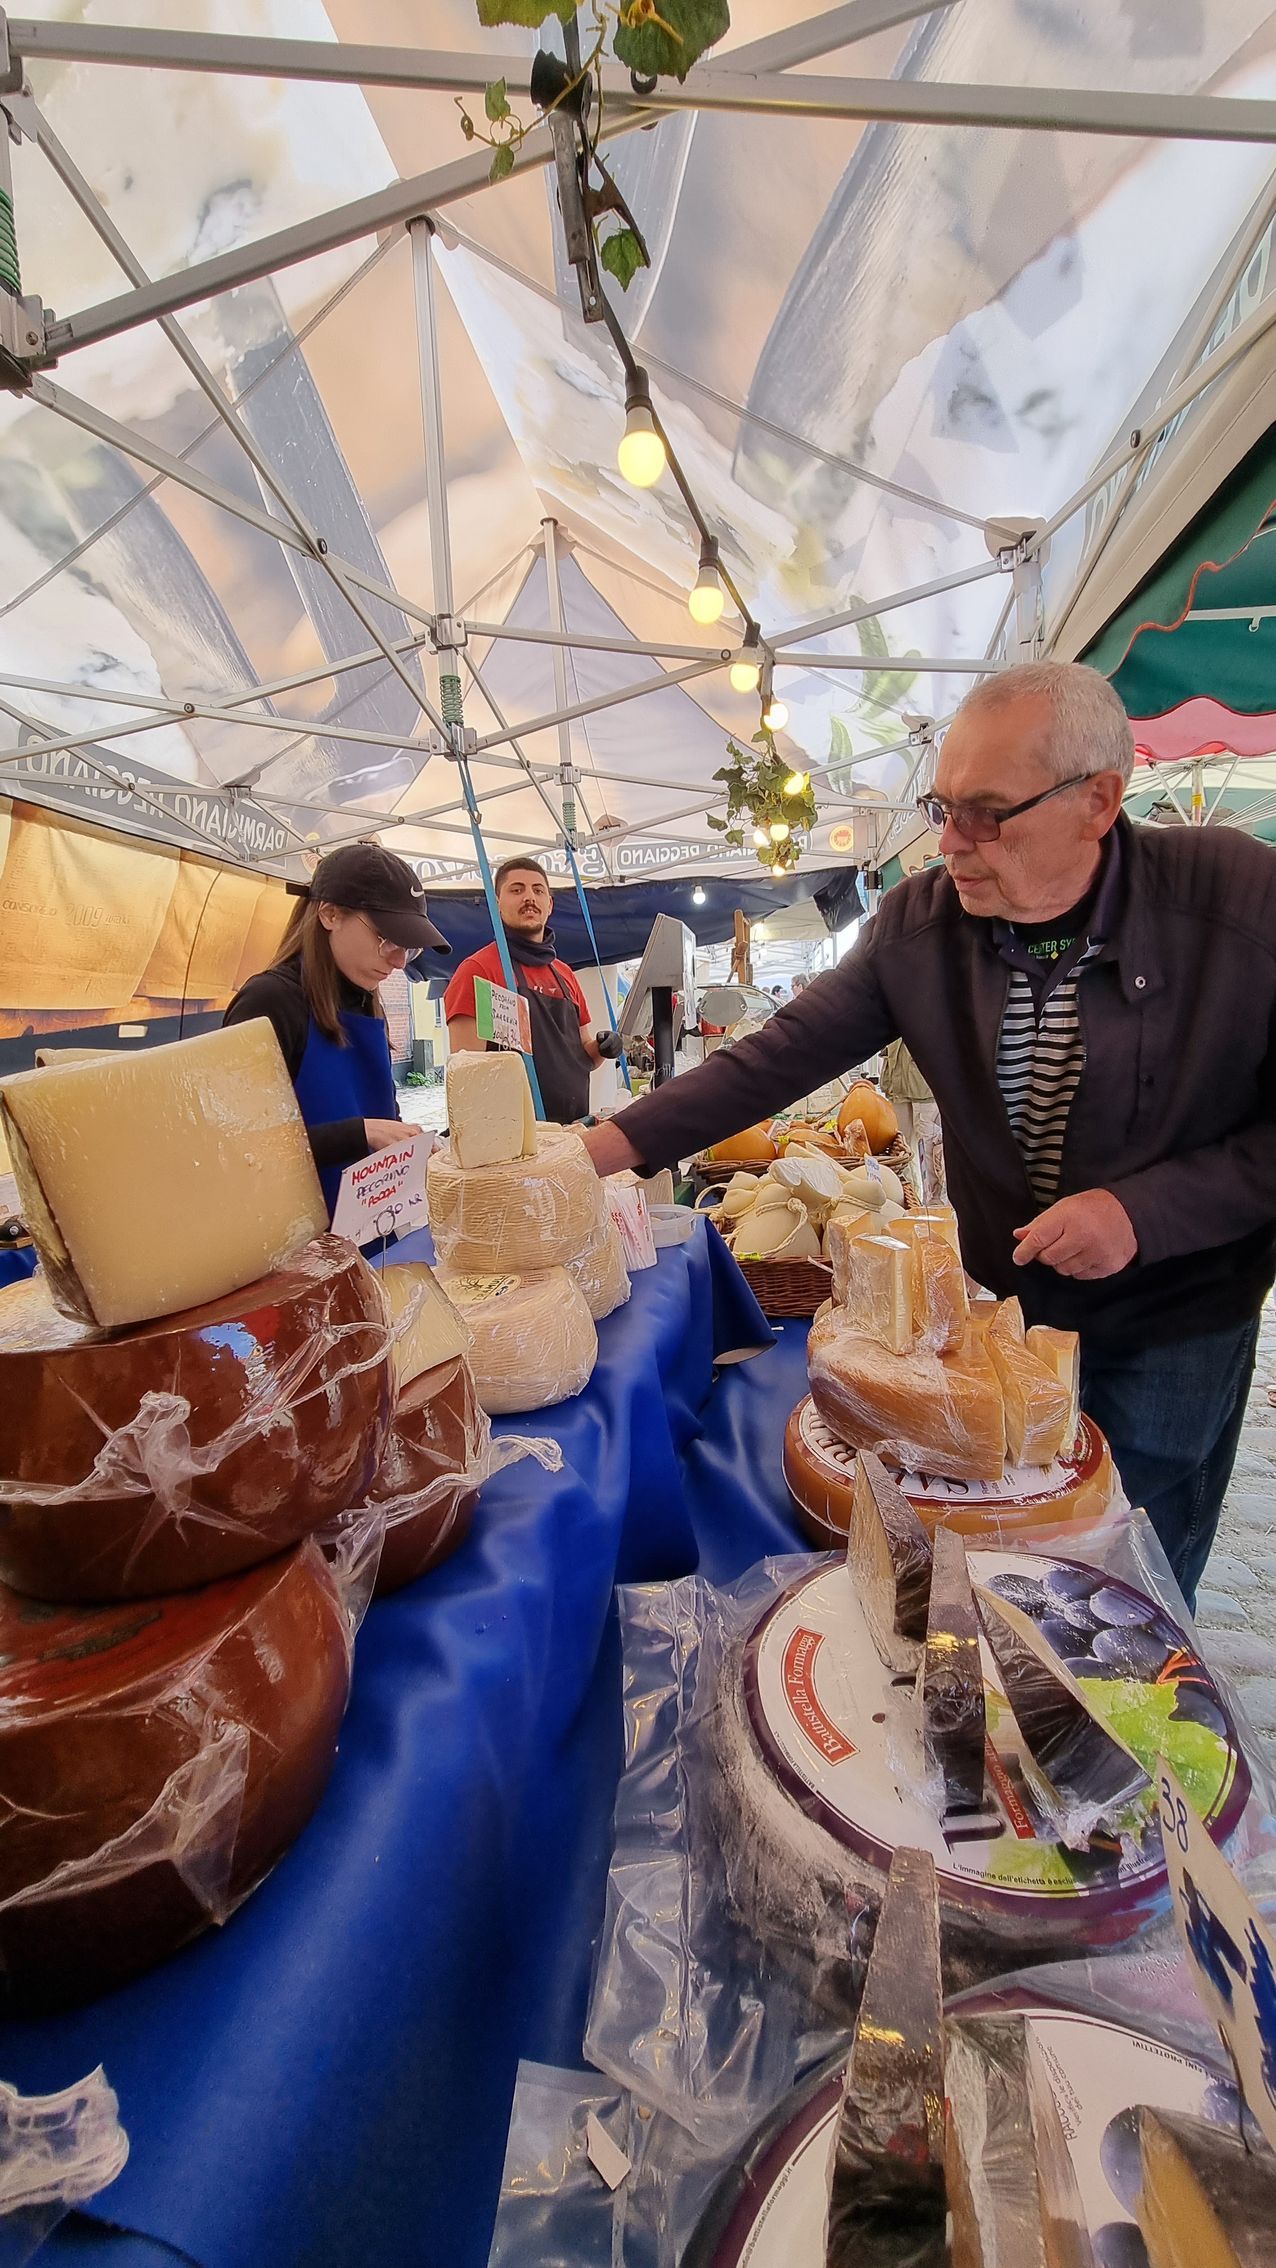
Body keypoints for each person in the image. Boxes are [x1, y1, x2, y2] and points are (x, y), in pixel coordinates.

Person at [581, 660, 1276, 1606]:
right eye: (942, 808)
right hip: (1019, 1308)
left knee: (1129, 1572)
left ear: (1098, 802)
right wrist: (598, 1151)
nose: (949, 844)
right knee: (1017, 1551)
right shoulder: (924, 923)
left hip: (1179, 1316)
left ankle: (1136, 1697)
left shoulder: (1236, 902)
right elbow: (778, 1056)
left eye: (986, 814)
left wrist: (1141, 1214)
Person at [224, 842, 450, 1217]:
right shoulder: (268, 1001)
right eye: (387, 939)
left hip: (373, 1226)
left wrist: (405, 1143)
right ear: (330, 914)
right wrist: (359, 1134)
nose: (398, 962)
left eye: (409, 949)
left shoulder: (368, 1002)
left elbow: (382, 1115)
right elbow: (235, 1146)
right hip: (296, 1237)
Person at [444, 855, 622, 1124]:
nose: (529, 897)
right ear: (496, 903)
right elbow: (467, 1074)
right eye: (516, 890)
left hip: (571, 1130)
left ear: (549, 904)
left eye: (538, 891)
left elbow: (583, 1057)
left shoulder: (564, 974)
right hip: (511, 1134)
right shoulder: (479, 970)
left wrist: (603, 1046)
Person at [879, 1037, 945, 1201]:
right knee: (900, 1150)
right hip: (896, 1085)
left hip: (926, 1088)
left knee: (931, 1153)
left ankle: (936, 1205)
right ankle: (910, 1200)